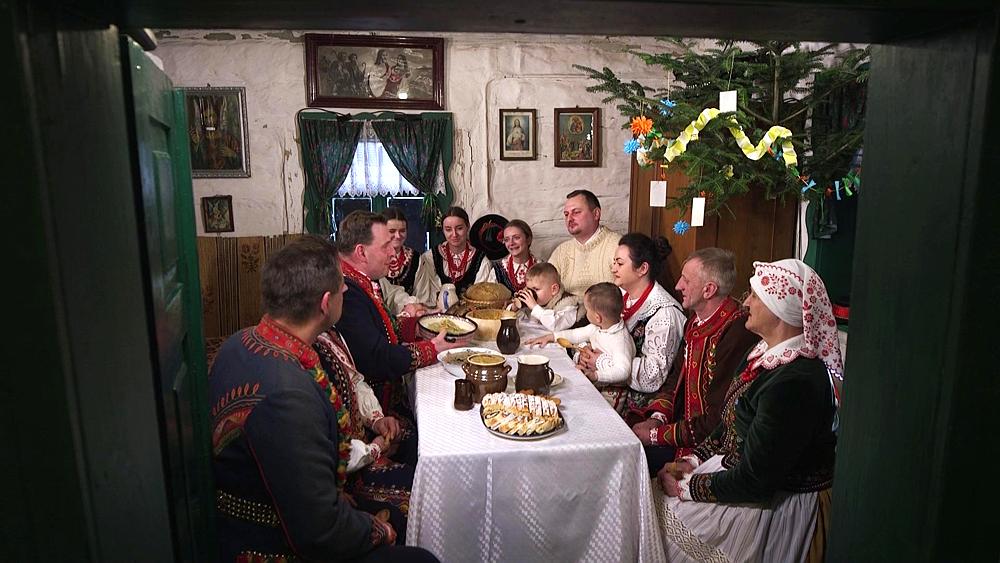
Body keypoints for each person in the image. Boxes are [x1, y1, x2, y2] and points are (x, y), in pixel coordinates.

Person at [208, 236, 437, 562]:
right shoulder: (289, 397)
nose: (346, 290)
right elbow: (320, 532)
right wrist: (378, 531)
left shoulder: (240, 341)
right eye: (342, 286)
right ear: (326, 303)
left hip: (273, 512)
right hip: (268, 543)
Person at [657, 259, 844, 563]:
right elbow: (728, 422)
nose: (745, 303)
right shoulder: (762, 353)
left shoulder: (795, 382)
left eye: (755, 296)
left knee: (659, 533)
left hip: (779, 505)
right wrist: (691, 460)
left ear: (779, 308)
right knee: (650, 509)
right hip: (739, 478)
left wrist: (686, 487)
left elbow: (756, 480)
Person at [627, 248, 761, 474]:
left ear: (709, 290)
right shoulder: (695, 322)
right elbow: (674, 379)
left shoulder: (737, 332)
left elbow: (719, 419)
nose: (678, 285)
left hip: (711, 447)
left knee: (631, 459)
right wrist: (657, 418)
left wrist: (655, 436)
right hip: (686, 430)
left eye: (686, 280)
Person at [335, 211, 457, 414]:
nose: (393, 253)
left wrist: (419, 327)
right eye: (386, 246)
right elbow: (379, 359)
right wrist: (432, 348)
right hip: (378, 409)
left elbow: (382, 326)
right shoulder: (346, 292)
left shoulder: (361, 280)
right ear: (361, 252)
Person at [313, 326, 418, 543]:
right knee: (419, 490)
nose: (344, 289)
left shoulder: (328, 334)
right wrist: (374, 449)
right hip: (339, 479)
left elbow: (355, 382)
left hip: (357, 453)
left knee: (416, 444)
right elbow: (322, 450)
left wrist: (376, 419)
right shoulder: (301, 358)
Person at [576, 233, 685, 413]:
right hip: (605, 387)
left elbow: (652, 377)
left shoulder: (664, 313)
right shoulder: (619, 294)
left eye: (619, 264)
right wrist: (586, 351)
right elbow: (598, 330)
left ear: (642, 269)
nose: (613, 269)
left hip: (638, 407)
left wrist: (601, 360)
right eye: (614, 263)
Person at [527, 282, 635, 410]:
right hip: (597, 381)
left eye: (587, 310)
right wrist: (551, 337)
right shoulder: (599, 327)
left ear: (597, 317)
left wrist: (595, 375)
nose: (586, 312)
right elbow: (576, 334)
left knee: (602, 412)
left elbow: (623, 371)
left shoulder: (620, 340)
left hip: (613, 392)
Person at [413, 206, 496, 307]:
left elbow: (481, 300)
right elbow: (424, 295)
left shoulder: (481, 261)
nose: (454, 234)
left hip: (469, 314)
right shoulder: (430, 258)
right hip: (436, 313)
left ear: (467, 227)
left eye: (459, 228)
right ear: (443, 230)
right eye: (448, 229)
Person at [546, 189, 622, 298]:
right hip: (565, 308)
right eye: (566, 214)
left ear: (596, 214)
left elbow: (628, 293)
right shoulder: (561, 252)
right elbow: (544, 288)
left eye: (576, 212)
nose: (569, 219)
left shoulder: (618, 246)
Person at [510, 262, 582, 339]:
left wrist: (535, 308)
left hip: (560, 343)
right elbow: (524, 322)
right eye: (528, 289)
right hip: (537, 339)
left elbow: (556, 325)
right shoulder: (538, 302)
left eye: (536, 289)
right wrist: (514, 308)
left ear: (554, 289)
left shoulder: (568, 304)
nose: (531, 293)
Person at [491, 219, 540, 294]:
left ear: (528, 240)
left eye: (516, 238)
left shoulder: (540, 267)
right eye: (507, 239)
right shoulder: (498, 270)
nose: (511, 243)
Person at [382, 207, 420, 295]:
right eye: (392, 231)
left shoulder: (416, 259)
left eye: (402, 231)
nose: (398, 236)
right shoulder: (373, 258)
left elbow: (422, 295)